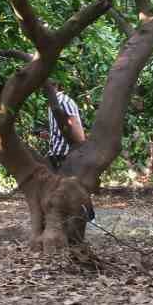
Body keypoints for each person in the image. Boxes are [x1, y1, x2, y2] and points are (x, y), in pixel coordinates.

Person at [43, 80, 94, 223]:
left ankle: (87, 218)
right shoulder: (54, 102)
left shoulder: (63, 101)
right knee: (65, 190)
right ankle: (76, 220)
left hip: (66, 154)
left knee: (72, 189)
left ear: (56, 85)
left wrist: (81, 147)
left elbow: (74, 124)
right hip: (59, 152)